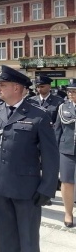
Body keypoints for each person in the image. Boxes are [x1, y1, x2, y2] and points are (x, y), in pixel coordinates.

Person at [0, 65, 59, 252]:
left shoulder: (38, 115)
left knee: (28, 240)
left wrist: (47, 188)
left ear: (16, 88)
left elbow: (50, 156)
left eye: (2, 84)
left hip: (26, 190)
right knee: (4, 238)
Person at [54, 81, 76, 228]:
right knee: (67, 182)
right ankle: (68, 213)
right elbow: (58, 130)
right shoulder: (63, 107)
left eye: (73, 91)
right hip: (67, 149)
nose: (70, 93)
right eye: (69, 91)